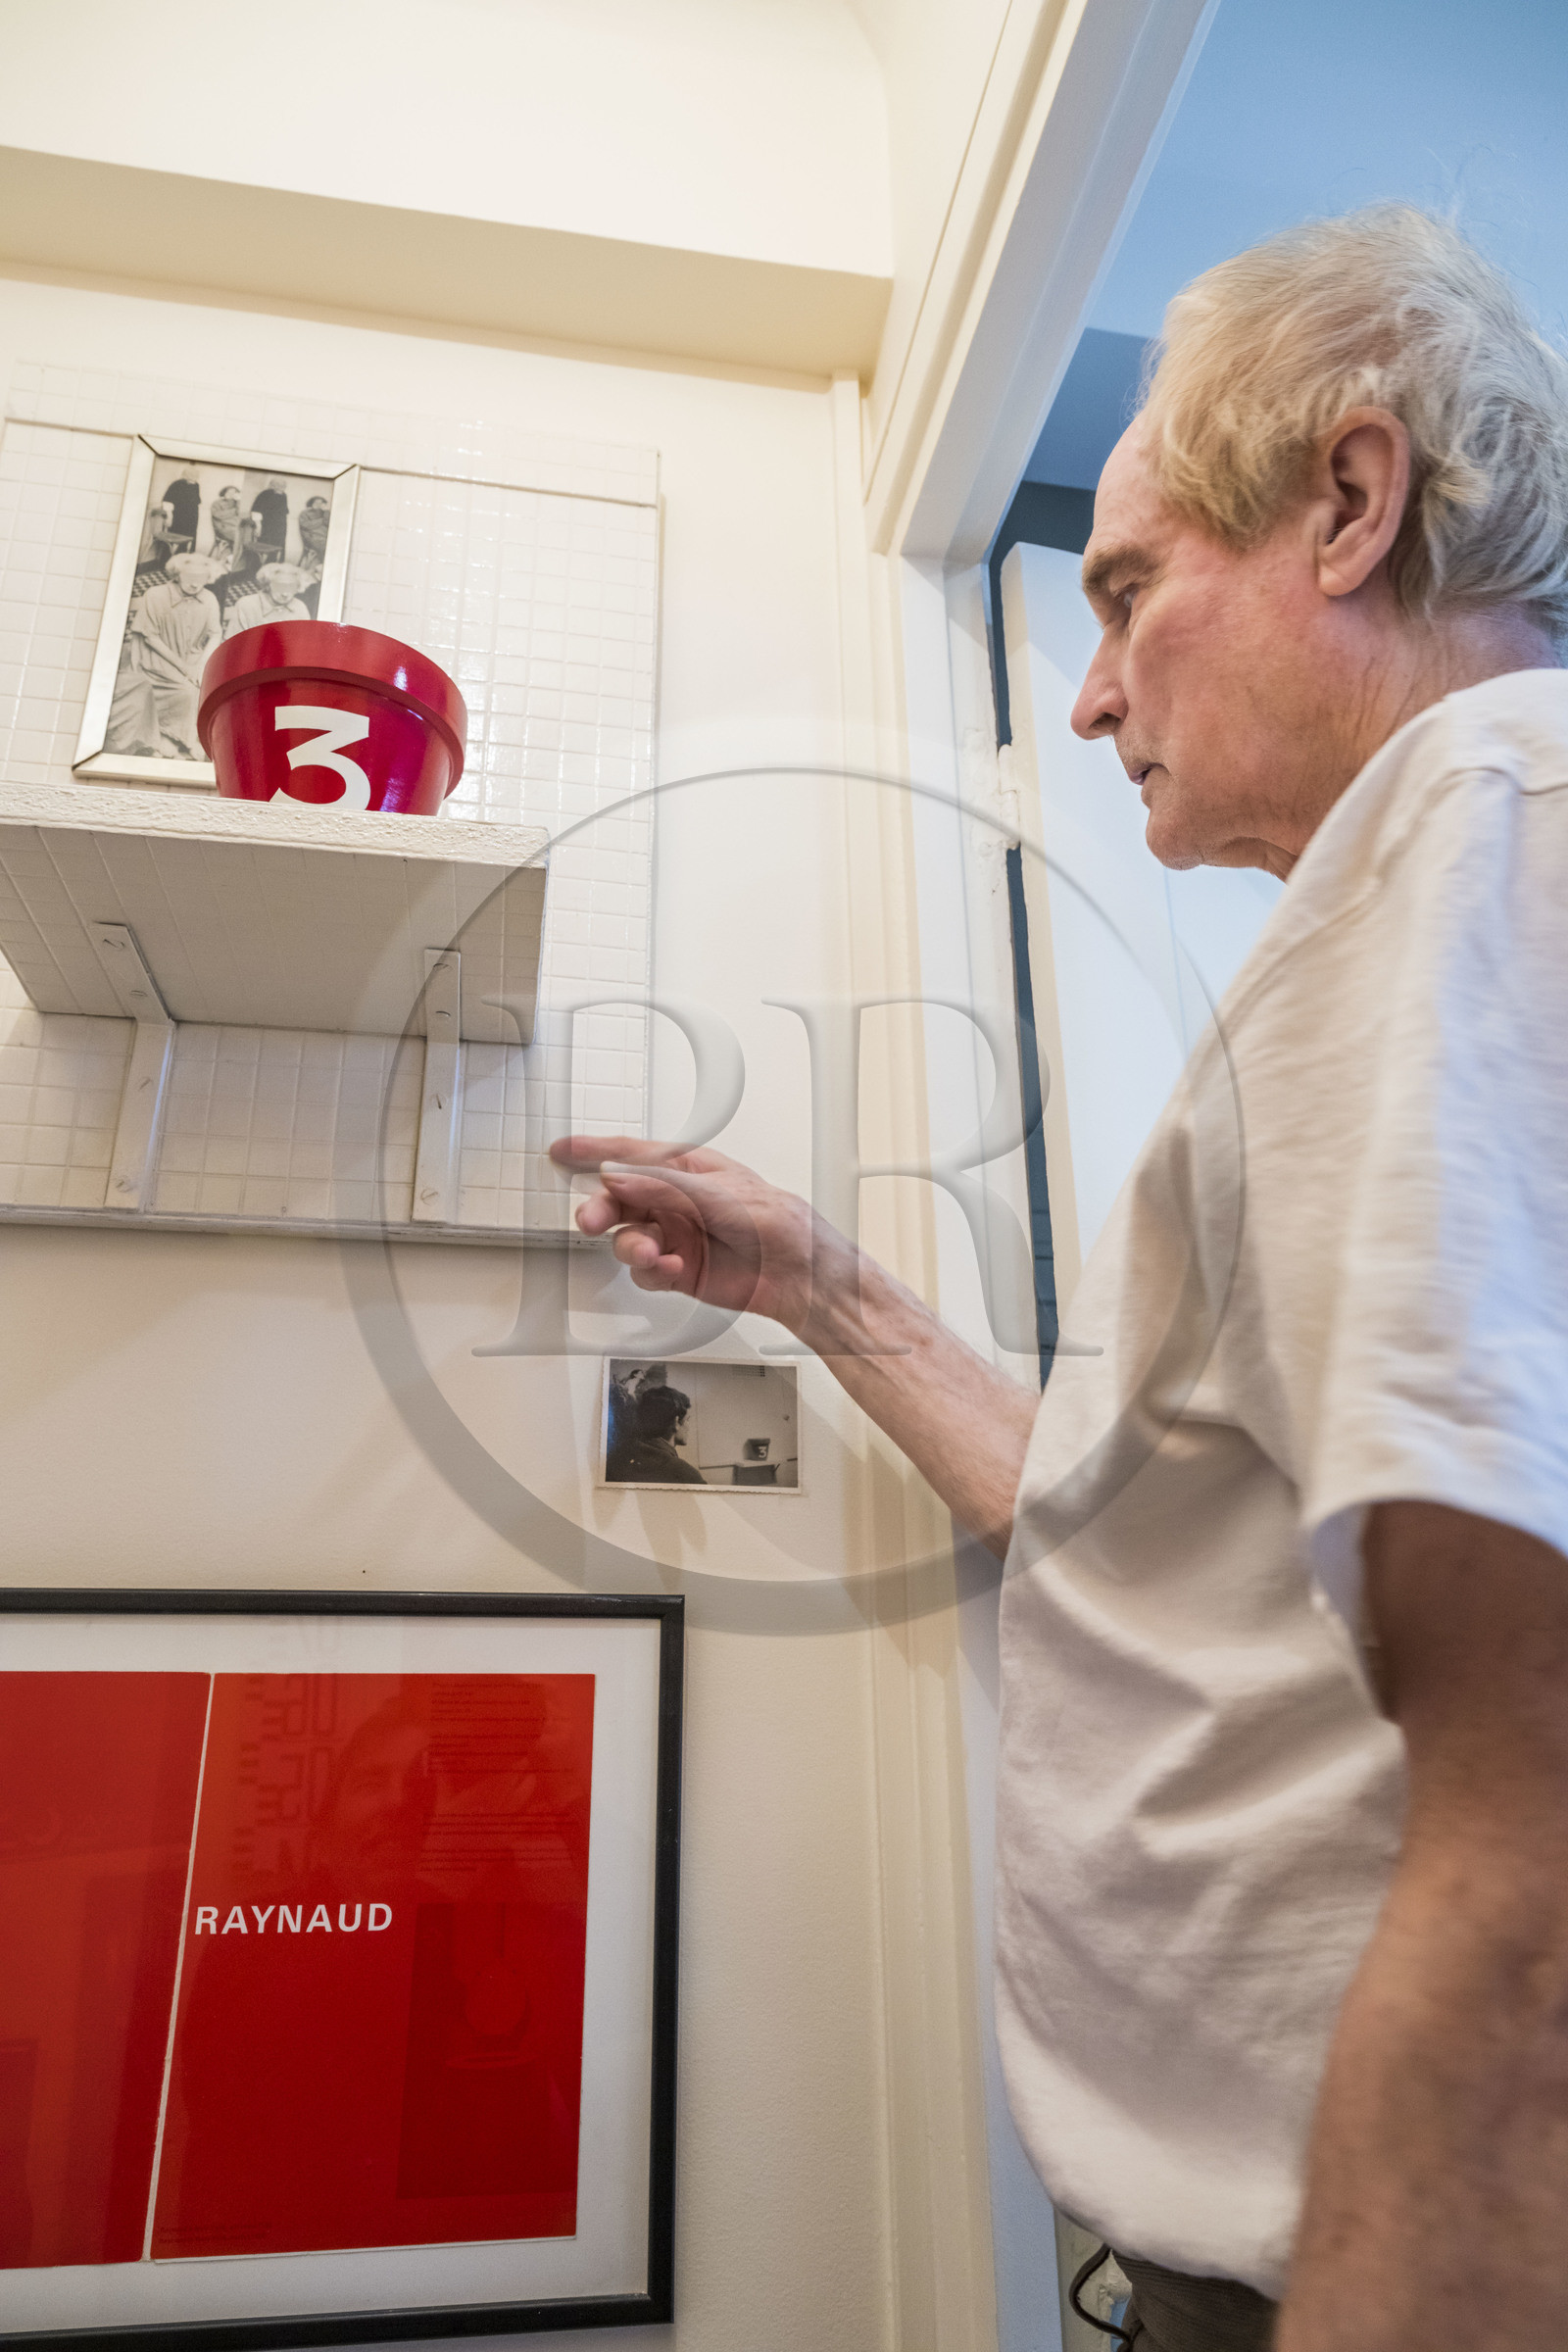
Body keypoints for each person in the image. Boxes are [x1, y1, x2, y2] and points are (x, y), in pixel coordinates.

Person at [551, 207, 1568, 2352]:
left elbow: (1540, 1806)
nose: (1092, 688)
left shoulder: (1495, 814)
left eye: (1124, 592)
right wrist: (824, 1289)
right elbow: (1123, 1541)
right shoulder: (1404, 899)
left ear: (1346, 503)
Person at [105, 549, 222, 756]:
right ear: (177, 575)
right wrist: (185, 668)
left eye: (201, 578)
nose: (195, 584)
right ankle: (171, 740)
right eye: (189, 577)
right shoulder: (156, 595)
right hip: (157, 657)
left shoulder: (211, 599)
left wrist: (200, 665)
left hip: (192, 658)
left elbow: (215, 634)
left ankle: (185, 738)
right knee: (187, 691)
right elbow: (150, 638)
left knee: (210, 686)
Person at [605, 1384, 706, 1485]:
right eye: (688, 1419)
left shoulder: (617, 1463)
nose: (689, 1426)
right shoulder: (685, 1474)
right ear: (676, 1422)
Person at [220, 561, 312, 638]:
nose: (285, 593)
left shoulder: (300, 608)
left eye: (291, 587)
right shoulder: (246, 605)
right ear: (267, 585)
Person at [249, 474, 289, 564]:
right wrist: (258, 526)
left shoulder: (284, 495)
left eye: (283, 485)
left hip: (280, 527)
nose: (281, 487)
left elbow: (283, 512)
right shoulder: (264, 494)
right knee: (265, 547)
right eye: (278, 485)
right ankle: (258, 568)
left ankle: (272, 566)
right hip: (266, 526)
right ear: (272, 485)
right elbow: (256, 511)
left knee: (277, 548)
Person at [161, 466, 202, 552]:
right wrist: (169, 516)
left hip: (192, 517)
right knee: (175, 537)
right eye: (192, 475)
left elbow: (196, 501)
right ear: (186, 475)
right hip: (178, 516)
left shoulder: (196, 485)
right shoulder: (177, 484)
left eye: (196, 476)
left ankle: (186, 559)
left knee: (189, 538)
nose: (194, 478)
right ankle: (169, 559)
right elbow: (168, 501)